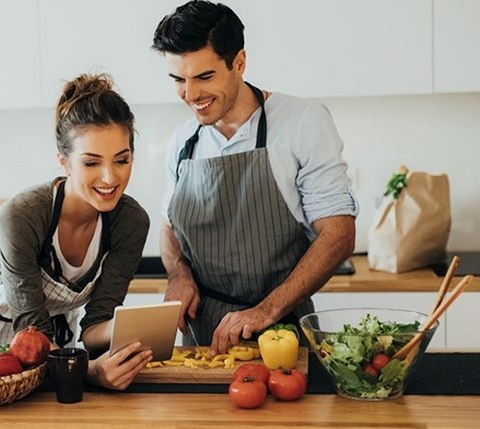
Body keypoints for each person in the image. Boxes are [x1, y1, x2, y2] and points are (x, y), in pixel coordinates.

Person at [151, 1, 358, 354]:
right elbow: (169, 228)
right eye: (178, 80)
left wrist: (267, 310)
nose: (191, 95)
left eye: (204, 77)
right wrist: (179, 274)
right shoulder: (184, 141)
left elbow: (339, 233)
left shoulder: (302, 122)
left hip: (282, 331)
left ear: (240, 63)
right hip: (203, 339)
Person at [0, 73, 152, 390]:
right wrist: (89, 371)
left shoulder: (130, 222)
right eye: (91, 163)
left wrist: (128, 329)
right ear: (64, 161)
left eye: (122, 160)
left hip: (55, 349)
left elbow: (94, 325)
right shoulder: (21, 216)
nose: (109, 177)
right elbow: (31, 330)